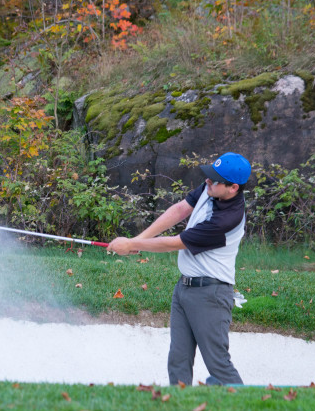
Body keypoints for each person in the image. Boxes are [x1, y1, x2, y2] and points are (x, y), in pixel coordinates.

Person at [107, 152, 251, 386]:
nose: (207, 182)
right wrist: (138, 240)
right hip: (184, 288)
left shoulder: (227, 220)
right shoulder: (213, 188)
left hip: (211, 294)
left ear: (233, 187)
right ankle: (179, 409)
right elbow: (179, 210)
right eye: (209, 177)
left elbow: (175, 242)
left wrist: (131, 244)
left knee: (218, 364)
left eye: (214, 180)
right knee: (178, 359)